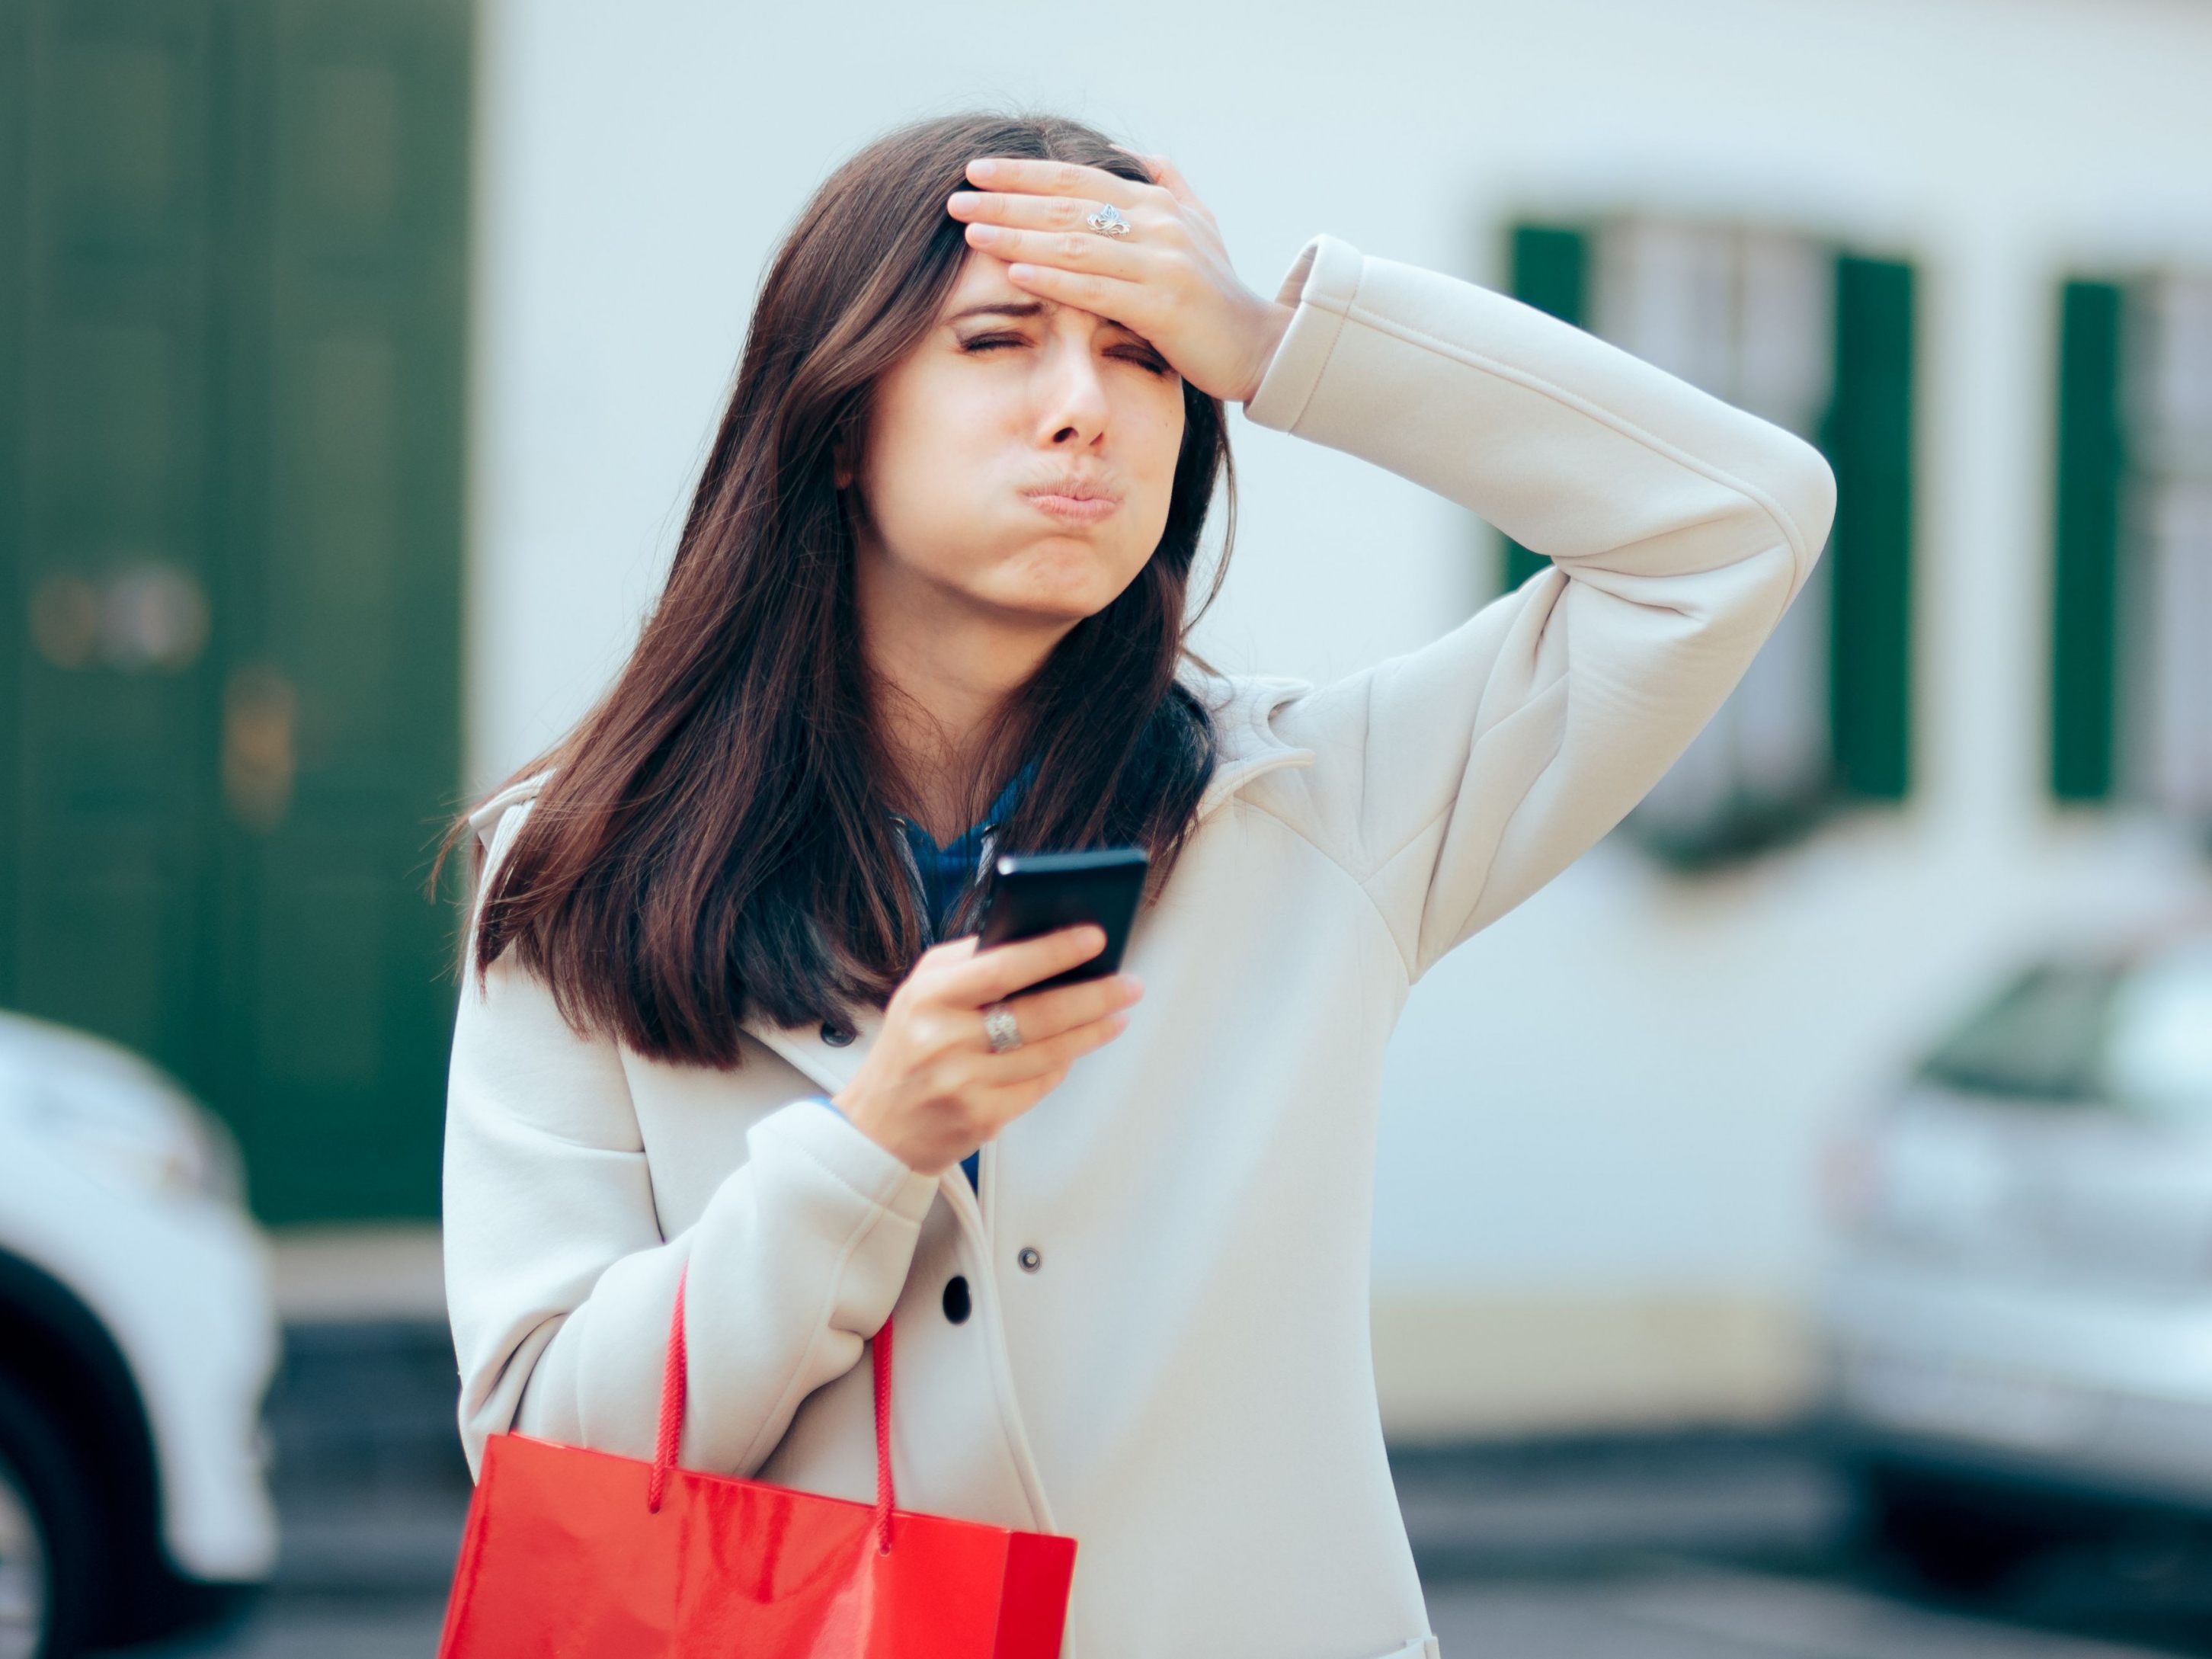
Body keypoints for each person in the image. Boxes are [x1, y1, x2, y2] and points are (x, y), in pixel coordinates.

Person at [434, 109, 1836, 1659]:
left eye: (1141, 354)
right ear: (838, 421)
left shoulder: (1320, 807)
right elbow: (543, 1455)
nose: (1082, 408)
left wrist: (1270, 332)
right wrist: (867, 1151)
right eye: (1000, 339)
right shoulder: (580, 873)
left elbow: (1738, 527)